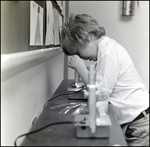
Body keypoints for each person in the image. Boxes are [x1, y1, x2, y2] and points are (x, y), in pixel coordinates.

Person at [60, 13, 149, 146]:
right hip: (133, 119)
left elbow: (99, 96)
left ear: (87, 36)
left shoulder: (109, 53)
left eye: (78, 51)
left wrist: (81, 68)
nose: (81, 57)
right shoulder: (106, 50)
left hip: (138, 122)